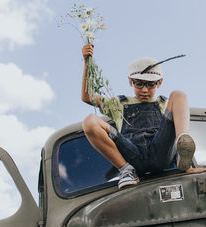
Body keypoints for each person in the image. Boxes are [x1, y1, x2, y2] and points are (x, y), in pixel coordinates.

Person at [81, 43, 196, 189]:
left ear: (159, 83)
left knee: (179, 95)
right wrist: (87, 61)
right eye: (139, 84)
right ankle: (125, 171)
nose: (145, 90)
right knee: (89, 121)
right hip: (131, 155)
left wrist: (190, 166)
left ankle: (182, 152)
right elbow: (87, 97)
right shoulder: (118, 103)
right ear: (130, 81)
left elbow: (176, 115)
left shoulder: (164, 103)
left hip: (160, 152)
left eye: (150, 85)